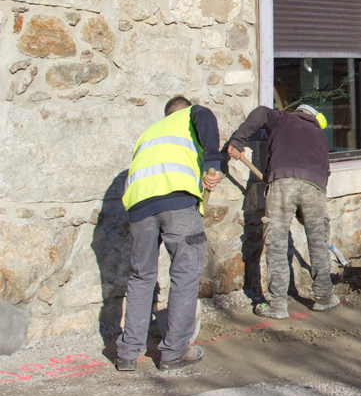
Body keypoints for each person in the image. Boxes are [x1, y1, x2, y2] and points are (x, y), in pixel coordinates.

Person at [116, 96, 223, 371]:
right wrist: (213, 164)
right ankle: (174, 351)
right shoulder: (191, 115)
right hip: (177, 201)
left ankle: (128, 353)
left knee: (142, 276)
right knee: (185, 275)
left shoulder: (149, 133)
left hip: (139, 207)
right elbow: (206, 117)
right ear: (185, 110)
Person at [227, 104, 339, 319]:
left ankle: (278, 305)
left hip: (283, 181)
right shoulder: (322, 139)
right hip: (315, 187)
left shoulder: (282, 118)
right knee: (318, 242)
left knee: (276, 243)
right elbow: (326, 173)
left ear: (298, 111)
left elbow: (260, 111)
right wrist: (303, 212)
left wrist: (237, 141)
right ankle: (324, 297)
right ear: (316, 120)